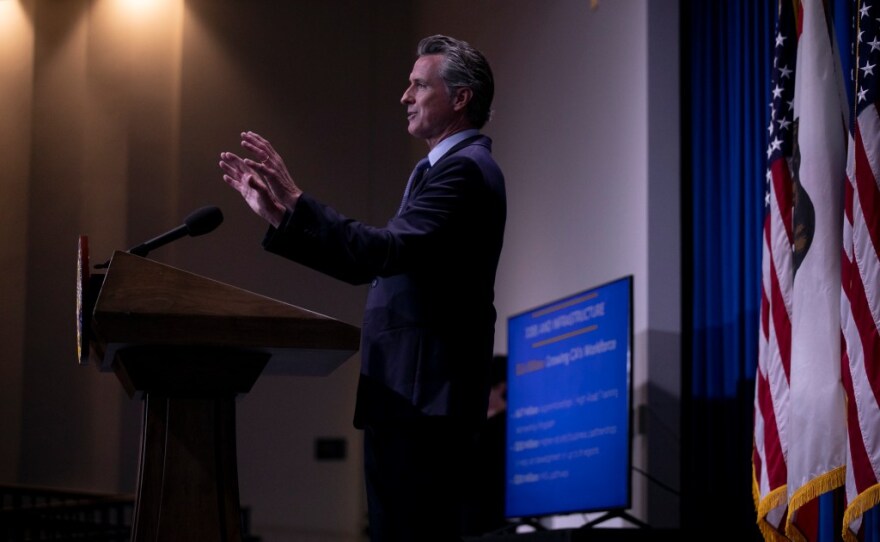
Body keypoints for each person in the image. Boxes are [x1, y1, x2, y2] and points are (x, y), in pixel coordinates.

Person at [219, 34, 506, 542]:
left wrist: (298, 201)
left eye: (419, 85)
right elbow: (367, 264)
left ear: (460, 98)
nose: (405, 96)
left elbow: (382, 252)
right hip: (408, 400)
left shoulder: (464, 172)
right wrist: (286, 218)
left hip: (424, 404)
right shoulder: (443, 171)